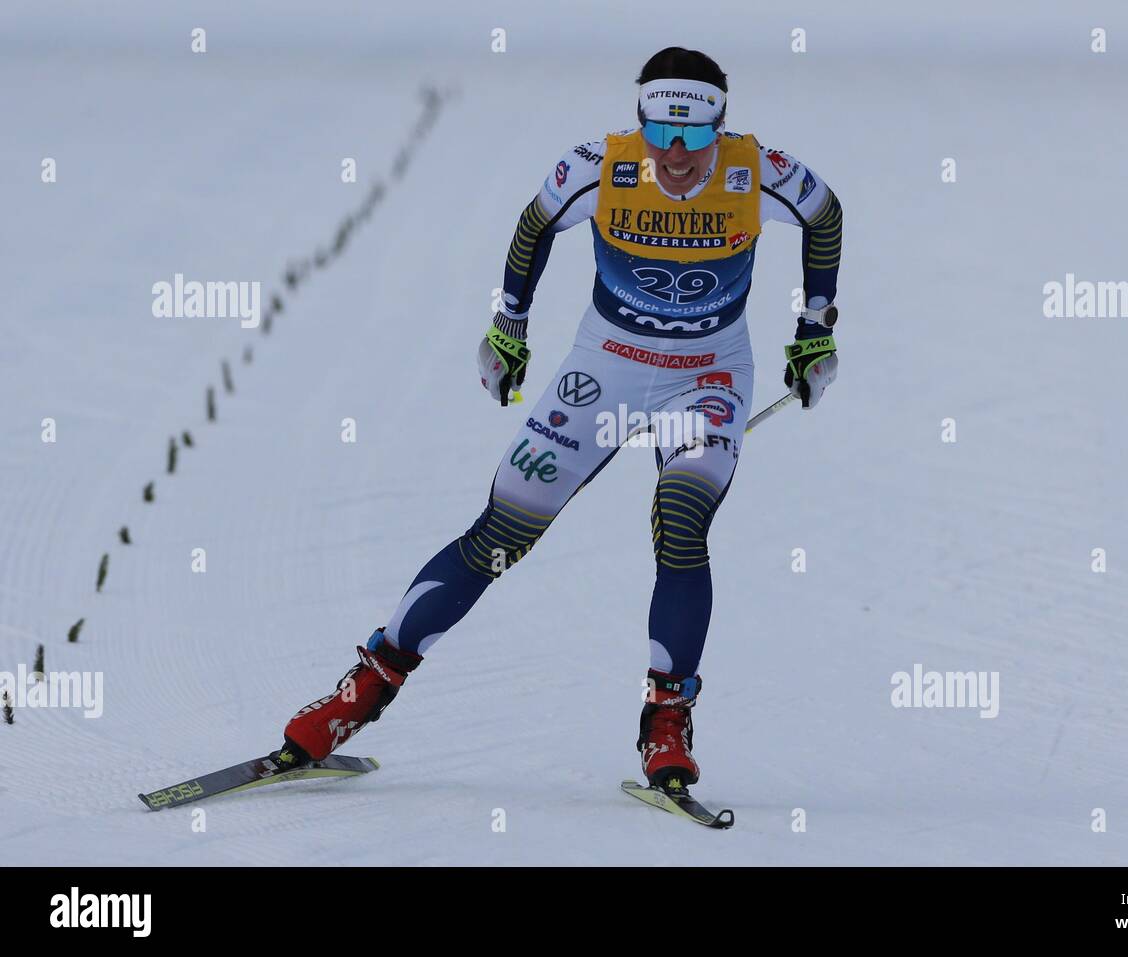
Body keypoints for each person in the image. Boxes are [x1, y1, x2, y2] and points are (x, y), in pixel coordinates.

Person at [278, 46, 843, 794]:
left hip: (707, 376)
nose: (676, 156)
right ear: (640, 122)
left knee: (682, 521)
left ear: (721, 128)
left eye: (695, 137)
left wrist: (815, 326)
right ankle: (366, 688)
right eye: (661, 136)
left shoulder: (756, 169)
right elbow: (533, 225)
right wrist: (509, 326)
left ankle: (665, 719)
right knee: (501, 534)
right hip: (605, 368)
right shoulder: (599, 168)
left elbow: (825, 213)